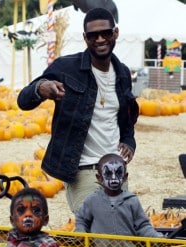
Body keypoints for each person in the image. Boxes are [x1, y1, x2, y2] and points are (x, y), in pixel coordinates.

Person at [17, 8, 139, 213]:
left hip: (115, 169)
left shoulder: (123, 73)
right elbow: (23, 100)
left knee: (120, 233)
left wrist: (129, 141)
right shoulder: (66, 68)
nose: (100, 39)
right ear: (85, 38)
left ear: (115, 33)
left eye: (106, 33)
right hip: (83, 169)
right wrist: (41, 88)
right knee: (99, 228)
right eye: (93, 35)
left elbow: (127, 118)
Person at [75, 153, 163, 238]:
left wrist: (156, 237)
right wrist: (80, 232)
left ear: (125, 177)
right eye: (108, 174)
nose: (114, 179)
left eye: (118, 173)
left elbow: (143, 226)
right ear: (99, 178)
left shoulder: (132, 201)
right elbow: (81, 220)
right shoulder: (92, 201)